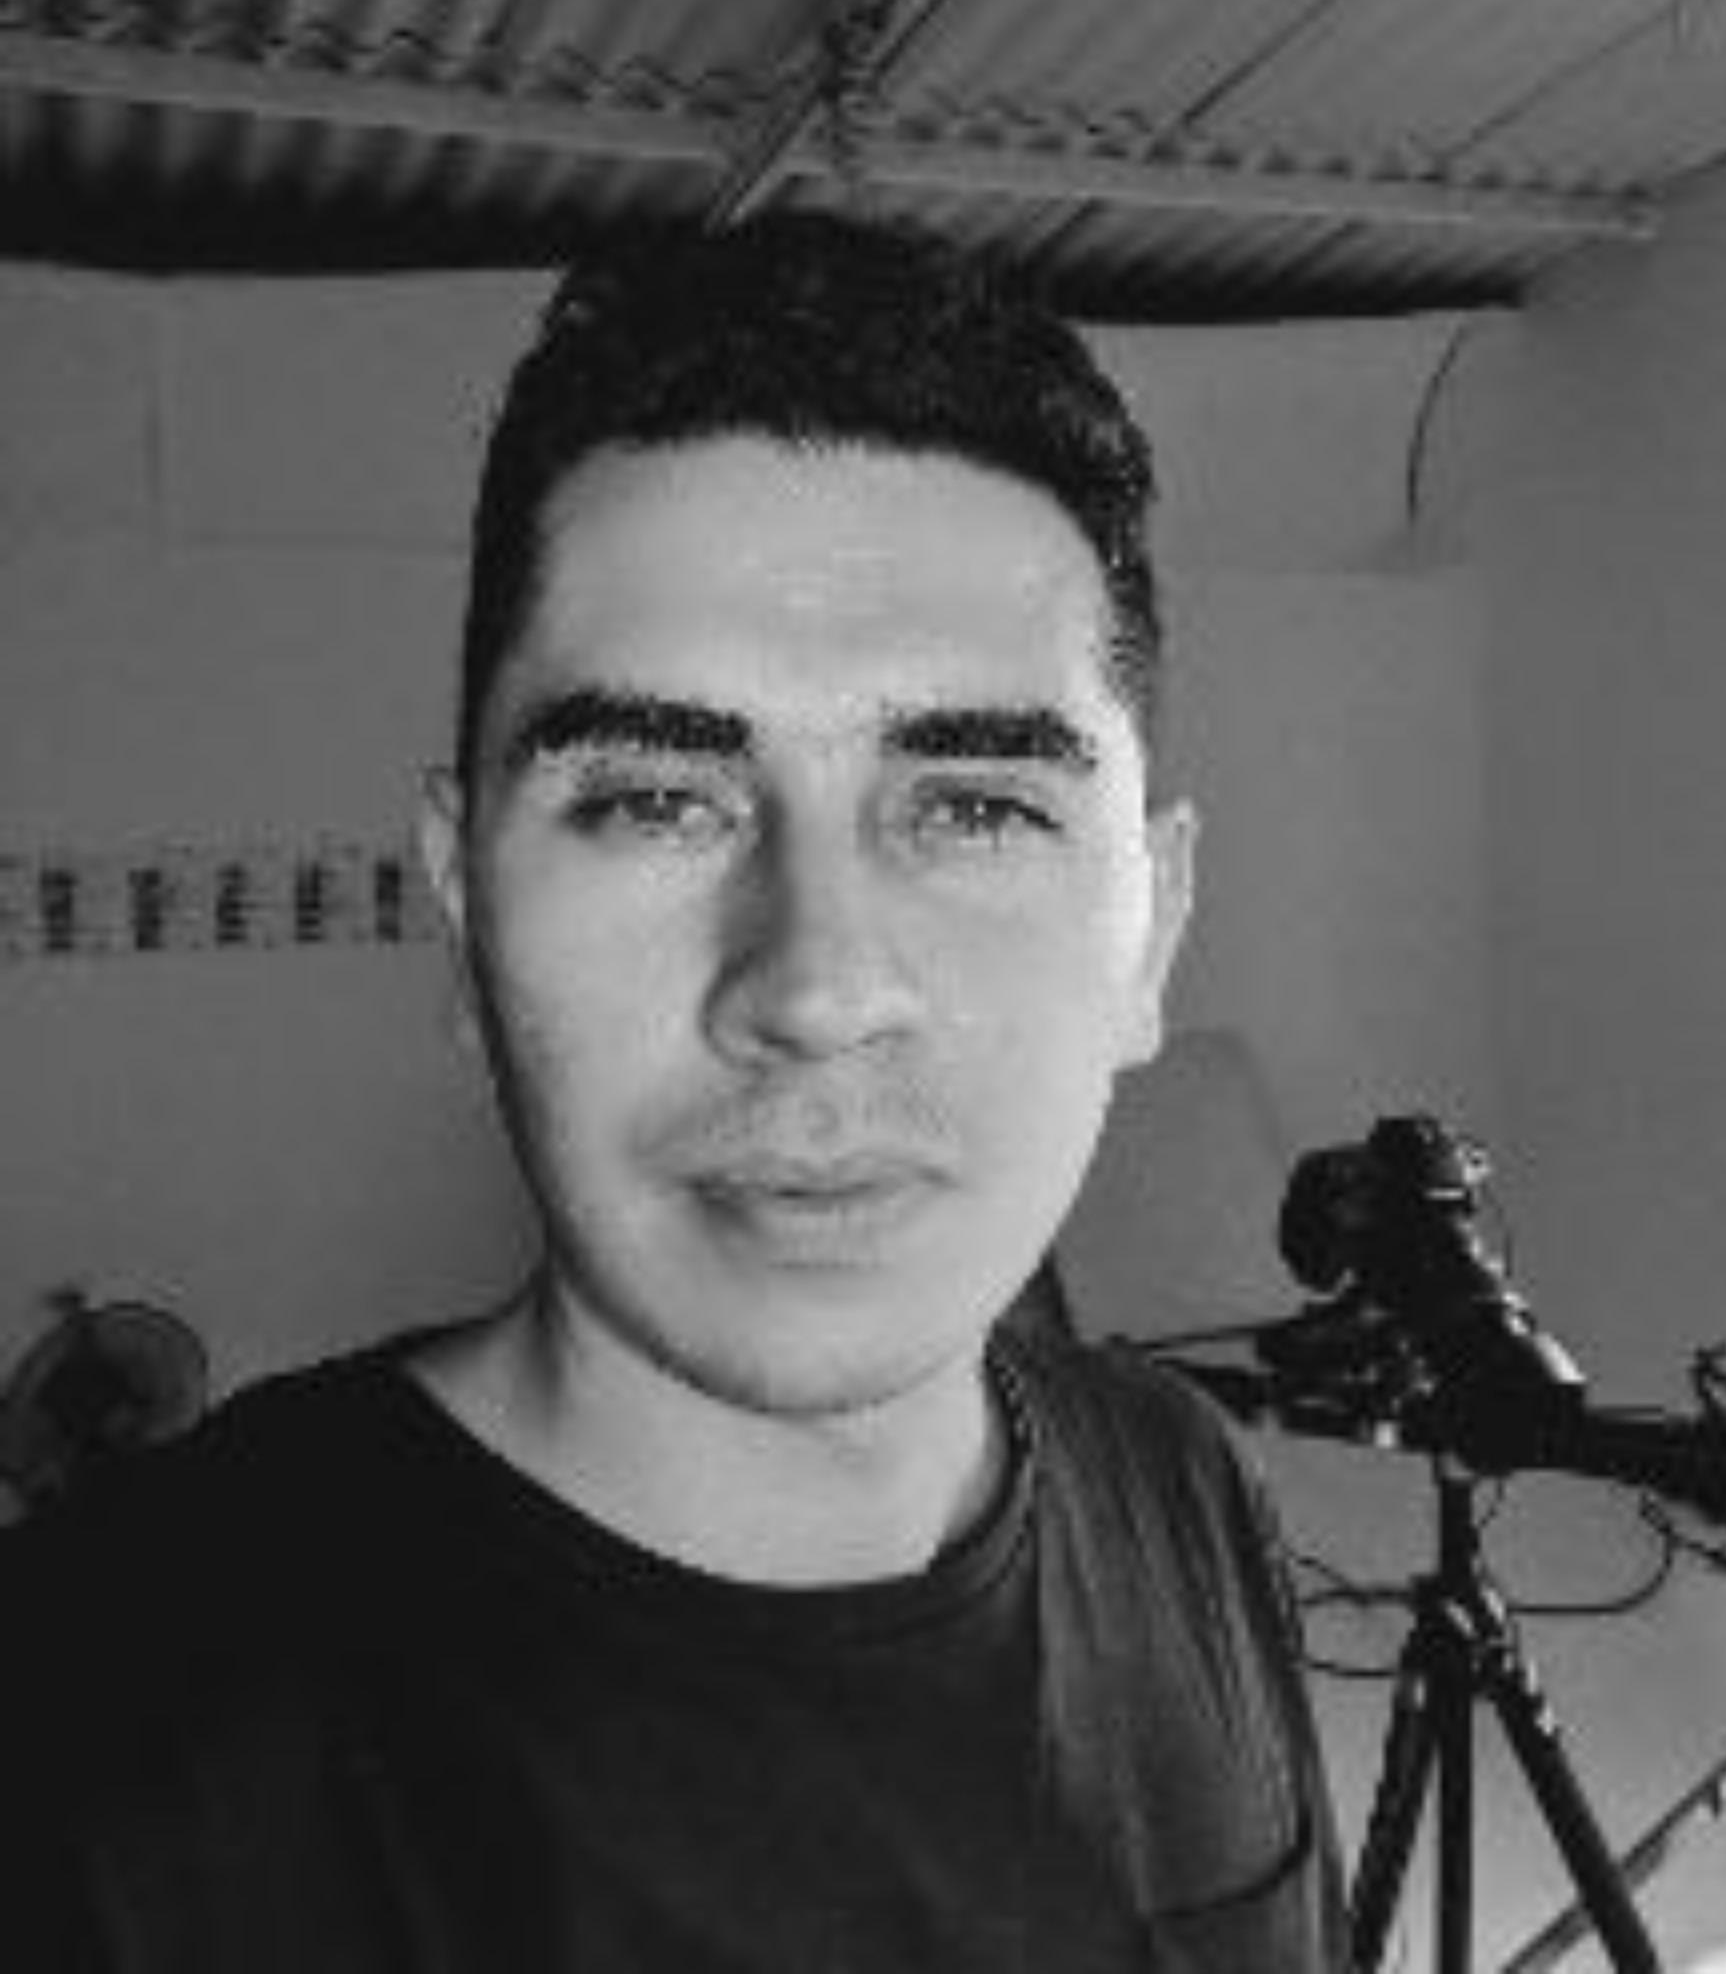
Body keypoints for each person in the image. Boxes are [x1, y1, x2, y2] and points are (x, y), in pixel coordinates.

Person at [0, 211, 1346, 1971]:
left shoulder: (1185, 1493)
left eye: (976, 806)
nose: (814, 990)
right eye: (654, 802)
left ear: (1151, 931)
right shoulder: (88, 1731)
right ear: (467, 915)